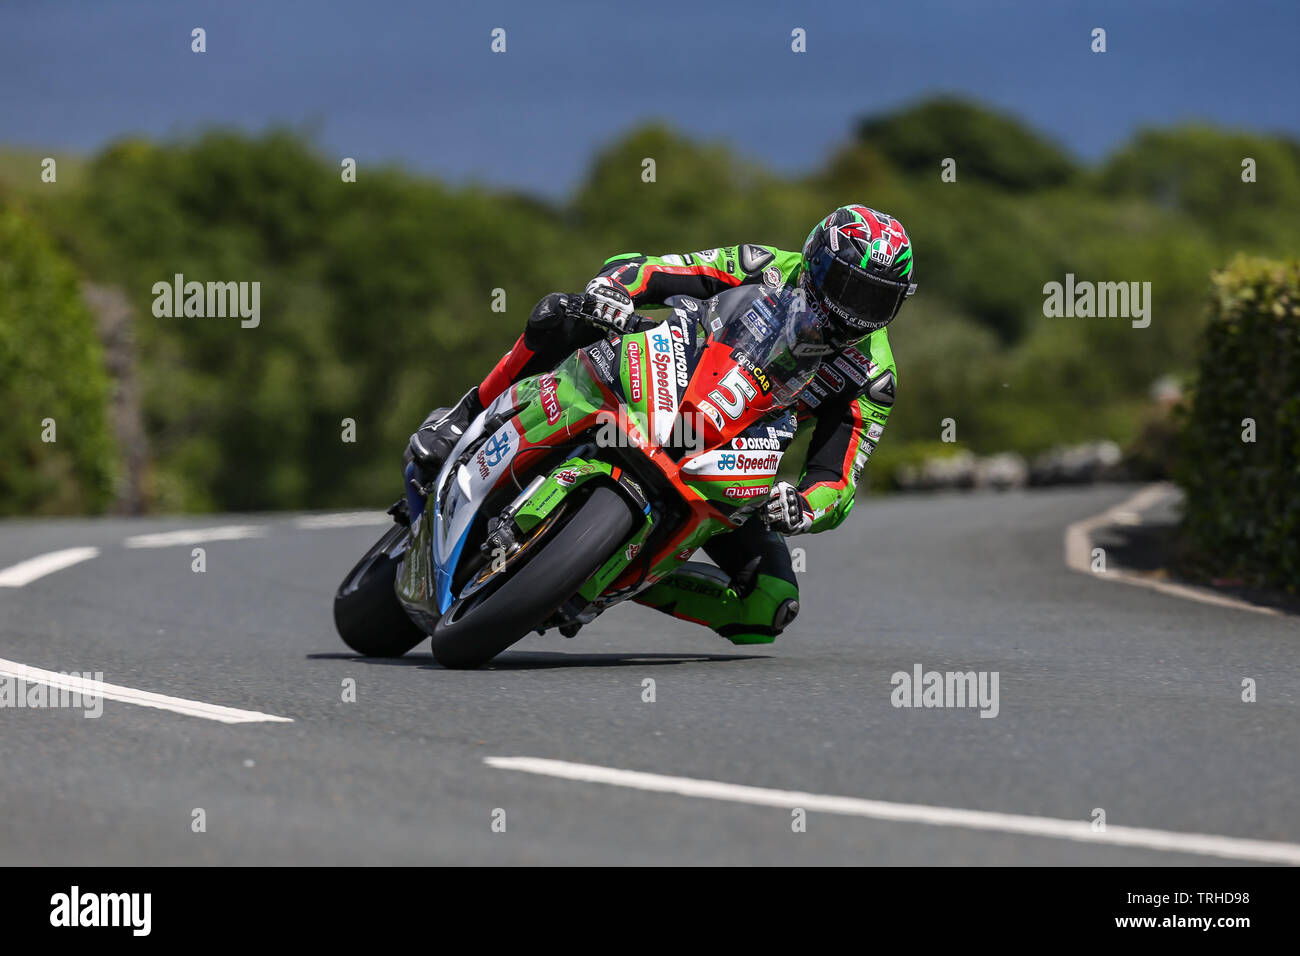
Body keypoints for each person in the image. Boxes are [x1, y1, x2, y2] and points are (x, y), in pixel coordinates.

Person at [408, 205, 915, 643]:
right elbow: (654, 271)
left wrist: (802, 506)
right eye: (849, 287)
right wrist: (613, 289)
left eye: (876, 301)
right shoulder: (761, 266)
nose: (855, 310)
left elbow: (839, 478)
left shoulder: (873, 374)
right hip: (674, 370)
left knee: (771, 603)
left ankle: (599, 576)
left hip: (735, 454)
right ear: (818, 263)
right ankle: (467, 414)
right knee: (562, 314)